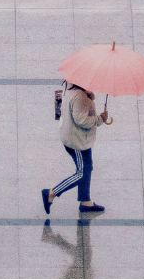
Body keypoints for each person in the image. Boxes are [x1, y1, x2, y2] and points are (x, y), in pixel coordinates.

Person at [42, 82, 108, 215]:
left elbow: (66, 107)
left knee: (87, 167)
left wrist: (89, 96)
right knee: (82, 173)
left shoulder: (73, 89)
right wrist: (100, 118)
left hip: (81, 138)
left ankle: (85, 201)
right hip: (76, 141)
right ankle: (51, 193)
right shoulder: (79, 96)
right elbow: (82, 120)